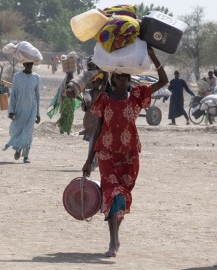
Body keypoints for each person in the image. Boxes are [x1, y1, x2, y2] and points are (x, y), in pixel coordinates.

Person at [82, 46, 168, 257]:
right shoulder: (104, 100)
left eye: (126, 78)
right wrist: (88, 160)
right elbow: (98, 129)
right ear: (113, 80)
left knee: (122, 197)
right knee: (112, 193)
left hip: (129, 155)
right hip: (107, 155)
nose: (123, 81)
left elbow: (164, 81)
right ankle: (113, 242)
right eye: (119, 77)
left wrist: (153, 56)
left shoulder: (136, 97)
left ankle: (116, 236)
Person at [3, 62, 41, 163]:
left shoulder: (36, 77)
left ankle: (26, 156)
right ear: (24, 65)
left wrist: (38, 114)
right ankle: (18, 149)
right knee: (17, 131)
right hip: (19, 110)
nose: (29, 67)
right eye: (27, 65)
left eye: (31, 65)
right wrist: (11, 111)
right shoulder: (17, 77)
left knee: (28, 133)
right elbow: (14, 94)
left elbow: (37, 96)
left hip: (32, 109)